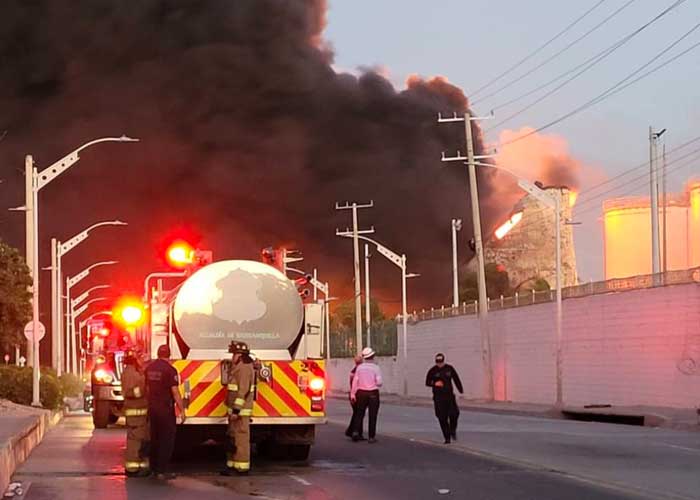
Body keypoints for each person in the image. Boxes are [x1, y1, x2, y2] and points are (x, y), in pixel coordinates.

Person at [145, 344, 186, 480]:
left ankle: (153, 469)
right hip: (165, 409)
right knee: (166, 440)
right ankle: (161, 471)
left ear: (158, 354)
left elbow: (146, 389)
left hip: (152, 408)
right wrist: (182, 410)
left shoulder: (149, 368)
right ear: (169, 355)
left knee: (154, 438)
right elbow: (175, 392)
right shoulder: (170, 370)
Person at [224, 341, 255, 475]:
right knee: (233, 438)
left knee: (241, 440)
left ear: (240, 355)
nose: (232, 357)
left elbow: (243, 391)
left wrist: (236, 411)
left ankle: (242, 468)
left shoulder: (244, 368)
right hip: (235, 411)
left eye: (234, 354)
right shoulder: (239, 367)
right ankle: (232, 465)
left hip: (241, 412)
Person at [122, 349, 150, 477]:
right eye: (140, 359)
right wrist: (144, 388)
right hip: (136, 413)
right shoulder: (130, 373)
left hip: (137, 413)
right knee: (135, 441)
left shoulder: (132, 372)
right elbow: (130, 392)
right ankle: (133, 470)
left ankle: (139, 468)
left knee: (139, 440)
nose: (142, 362)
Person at [425, 353, 463, 444]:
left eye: (441, 362)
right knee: (442, 417)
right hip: (438, 398)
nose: (439, 364)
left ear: (443, 361)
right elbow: (427, 382)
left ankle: (452, 430)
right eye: (438, 362)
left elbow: (456, 379)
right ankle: (447, 437)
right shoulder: (432, 371)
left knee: (454, 414)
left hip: (449, 396)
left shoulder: (449, 369)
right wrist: (434, 384)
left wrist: (460, 389)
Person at [350, 347, 382, 443]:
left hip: (361, 393)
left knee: (359, 414)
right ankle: (371, 437)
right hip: (373, 393)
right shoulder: (376, 368)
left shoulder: (359, 368)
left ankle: (355, 432)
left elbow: (355, 381)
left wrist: (353, 394)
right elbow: (379, 382)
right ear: (373, 356)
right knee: (372, 415)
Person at [344, 355, 363, 439]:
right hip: (356, 394)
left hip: (353, 393)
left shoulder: (353, 370)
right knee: (358, 414)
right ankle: (355, 432)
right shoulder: (358, 371)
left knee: (356, 413)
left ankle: (351, 431)